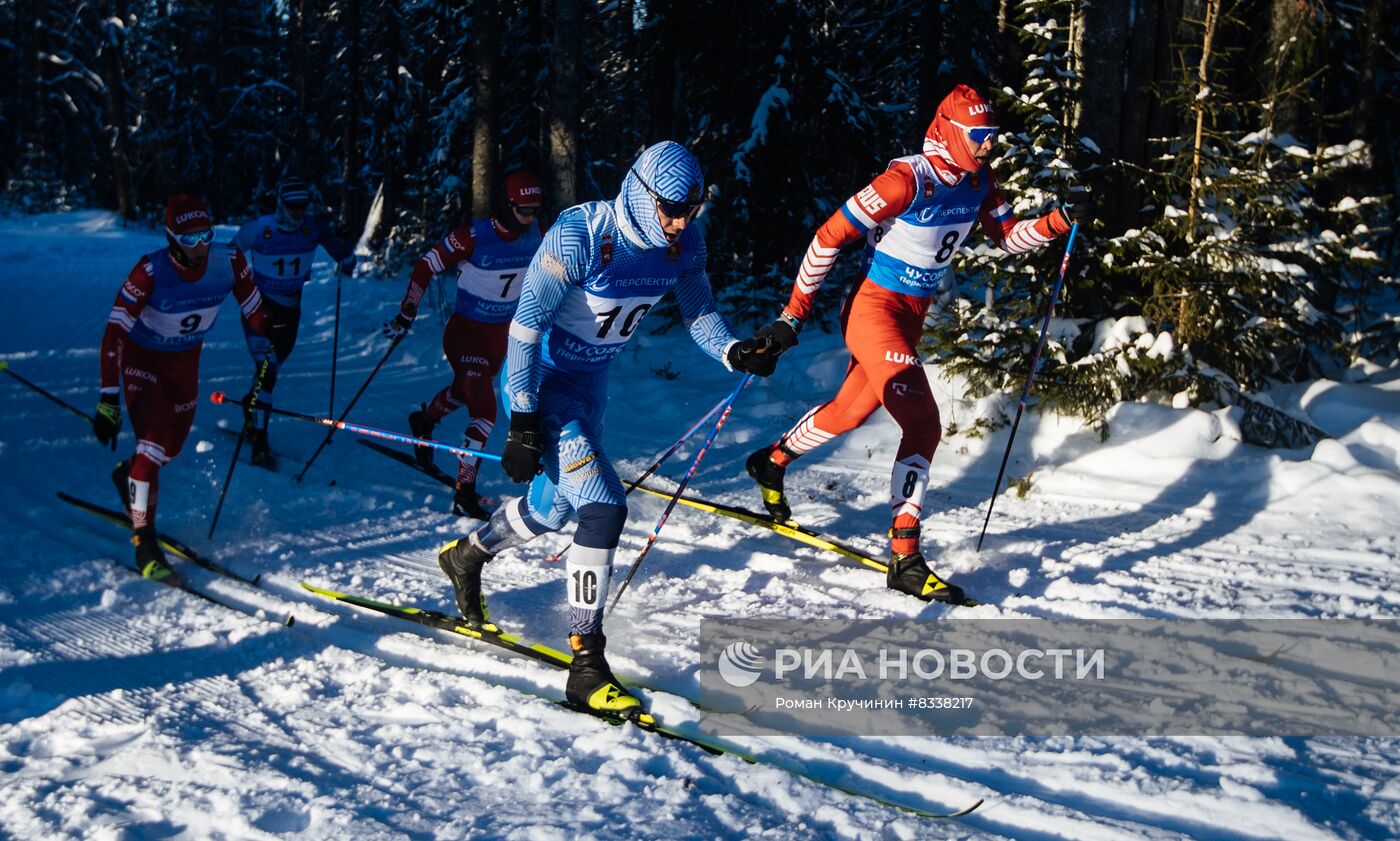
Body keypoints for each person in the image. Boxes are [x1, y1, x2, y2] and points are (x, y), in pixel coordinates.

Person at [436, 142, 778, 717]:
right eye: (671, 208)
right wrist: (523, 421)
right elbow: (525, 329)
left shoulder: (685, 242)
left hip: (591, 385)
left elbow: (698, 311)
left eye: (691, 209)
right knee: (602, 506)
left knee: (553, 509)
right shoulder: (582, 235)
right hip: (543, 383)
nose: (680, 222)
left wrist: (734, 351)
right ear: (642, 194)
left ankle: (466, 556)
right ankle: (586, 663)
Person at [742, 84, 1095, 605]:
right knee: (924, 424)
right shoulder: (906, 180)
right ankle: (905, 558)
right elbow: (827, 237)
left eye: (993, 135)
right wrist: (791, 316)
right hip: (874, 308)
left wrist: (1059, 220)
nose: (989, 145)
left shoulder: (979, 179)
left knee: (849, 412)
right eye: (979, 135)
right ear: (951, 132)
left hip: (911, 316)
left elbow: (1008, 237)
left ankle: (771, 461)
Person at [93, 193, 272, 579]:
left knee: (170, 450)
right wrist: (108, 398)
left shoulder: (229, 261)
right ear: (172, 239)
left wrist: (268, 335)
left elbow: (255, 310)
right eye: (190, 238)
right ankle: (145, 543)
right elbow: (114, 333)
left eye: (206, 235)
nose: (201, 245)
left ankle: (129, 474)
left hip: (185, 363)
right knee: (153, 445)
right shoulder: (150, 271)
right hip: (143, 361)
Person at [384, 170, 546, 519]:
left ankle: (424, 420)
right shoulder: (471, 237)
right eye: (524, 210)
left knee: (464, 391)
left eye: (535, 210)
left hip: (500, 338)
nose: (530, 218)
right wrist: (407, 311)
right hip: (465, 334)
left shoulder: (538, 234)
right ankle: (464, 492)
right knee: (484, 409)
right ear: (506, 205)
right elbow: (426, 266)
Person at [232, 175, 356, 467]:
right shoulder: (258, 228)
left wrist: (344, 242)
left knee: (270, 370)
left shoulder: (314, 227)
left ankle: (252, 407)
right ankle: (259, 442)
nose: (298, 211)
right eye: (293, 206)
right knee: (268, 371)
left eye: (303, 205)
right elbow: (228, 257)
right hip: (259, 308)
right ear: (281, 203)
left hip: (290, 312)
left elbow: (348, 264)